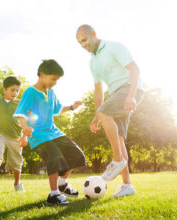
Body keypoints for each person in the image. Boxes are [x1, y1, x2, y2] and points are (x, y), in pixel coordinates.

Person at [76, 24, 144, 197]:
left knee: (106, 114)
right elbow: (98, 91)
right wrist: (96, 116)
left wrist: (131, 95)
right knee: (119, 139)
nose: (83, 45)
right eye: (80, 43)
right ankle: (128, 186)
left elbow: (135, 69)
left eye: (84, 40)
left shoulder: (114, 47)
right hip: (116, 95)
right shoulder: (93, 62)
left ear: (94, 34)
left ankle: (117, 161)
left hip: (129, 90)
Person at [14, 59, 86, 206]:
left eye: (57, 80)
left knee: (77, 155)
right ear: (42, 74)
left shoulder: (51, 92)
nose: (55, 82)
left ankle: (62, 184)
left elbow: (57, 109)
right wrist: (25, 127)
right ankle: (53, 195)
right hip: (38, 134)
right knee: (55, 156)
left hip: (54, 131)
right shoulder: (31, 92)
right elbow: (20, 113)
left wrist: (72, 107)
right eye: (53, 79)